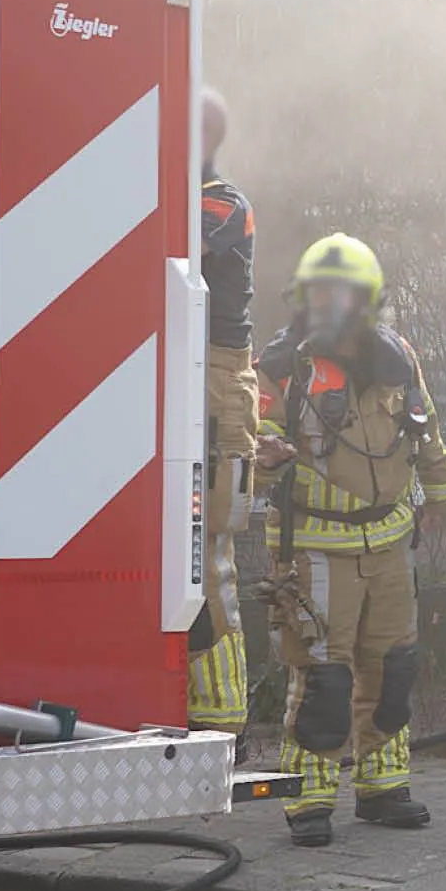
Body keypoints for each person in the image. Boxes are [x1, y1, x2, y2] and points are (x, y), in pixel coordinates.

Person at [256, 233, 446, 846]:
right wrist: (264, 458)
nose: (334, 303)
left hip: (392, 542)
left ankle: (383, 786)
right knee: (322, 673)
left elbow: (427, 428)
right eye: (322, 292)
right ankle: (310, 799)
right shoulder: (280, 366)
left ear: (369, 298)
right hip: (316, 548)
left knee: (393, 666)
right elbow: (239, 449)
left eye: (344, 291)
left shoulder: (399, 358)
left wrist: (445, 492)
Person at [187, 89, 259, 748]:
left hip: (215, 381)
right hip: (184, 372)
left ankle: (220, 718)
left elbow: (175, 246)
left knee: (207, 551)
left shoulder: (221, 201)